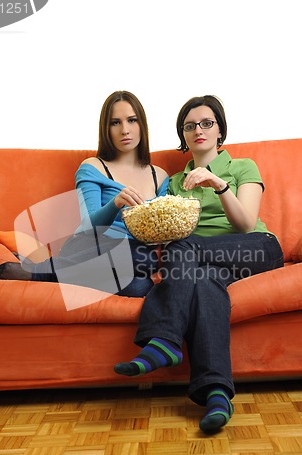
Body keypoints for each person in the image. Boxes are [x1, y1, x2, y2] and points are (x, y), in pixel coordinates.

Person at [114, 95, 284, 433]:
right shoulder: (177, 182)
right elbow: (165, 227)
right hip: (203, 262)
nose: (198, 130)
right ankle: (217, 393)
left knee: (185, 245)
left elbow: (247, 224)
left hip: (255, 249)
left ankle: (163, 340)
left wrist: (219, 185)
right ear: (184, 135)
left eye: (207, 123)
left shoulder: (242, 167)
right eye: (190, 126)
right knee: (204, 283)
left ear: (220, 130)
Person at [0, 91, 169, 297]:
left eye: (132, 120)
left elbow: (161, 231)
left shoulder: (160, 177)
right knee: (140, 259)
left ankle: (41, 270)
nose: (125, 130)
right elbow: (87, 227)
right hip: (91, 247)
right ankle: (41, 272)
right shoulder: (93, 167)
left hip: (134, 257)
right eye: (115, 123)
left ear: (142, 124)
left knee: (141, 284)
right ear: (106, 129)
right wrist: (116, 203)